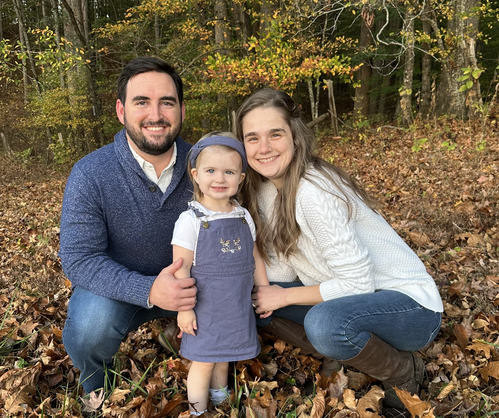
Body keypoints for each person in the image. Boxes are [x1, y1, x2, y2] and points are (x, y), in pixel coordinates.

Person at [235, 88, 444, 414]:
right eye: (253, 138)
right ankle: (344, 351)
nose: (264, 148)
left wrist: (284, 296)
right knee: (249, 299)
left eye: (275, 134)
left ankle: (403, 371)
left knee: (324, 324)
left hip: (411, 308)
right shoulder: (266, 190)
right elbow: (283, 271)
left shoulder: (313, 191)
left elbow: (358, 283)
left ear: (294, 136)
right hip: (352, 302)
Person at [59, 57, 197, 394]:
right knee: (89, 328)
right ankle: (98, 387)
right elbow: (79, 259)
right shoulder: (90, 173)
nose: (156, 115)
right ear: (121, 111)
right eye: (142, 102)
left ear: (181, 110)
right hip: (119, 290)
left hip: (194, 286)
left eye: (167, 102)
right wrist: (148, 289)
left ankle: (197, 354)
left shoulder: (206, 166)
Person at [171, 133, 272, 416]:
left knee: (225, 356)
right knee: (204, 361)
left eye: (229, 172)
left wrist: (264, 289)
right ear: (196, 175)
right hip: (204, 307)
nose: (220, 178)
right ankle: (197, 410)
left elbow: (255, 257)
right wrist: (184, 309)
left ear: (241, 178)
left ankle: (220, 397)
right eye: (211, 171)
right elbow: (180, 268)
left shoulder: (243, 216)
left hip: (235, 303)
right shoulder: (190, 220)